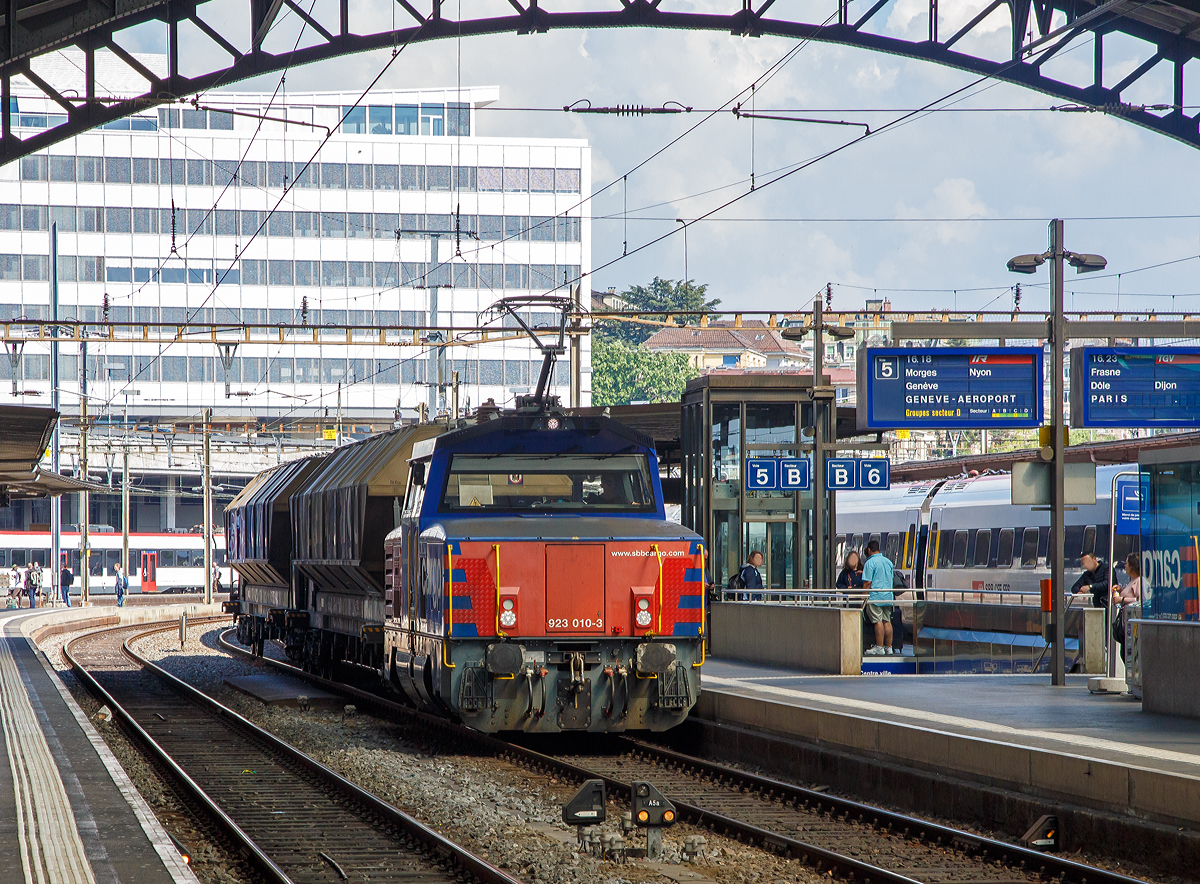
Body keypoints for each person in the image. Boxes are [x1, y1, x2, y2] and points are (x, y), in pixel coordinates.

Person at [861, 539, 895, 656]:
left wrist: (863, 597)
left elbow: (867, 583)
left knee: (878, 622)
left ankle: (879, 647)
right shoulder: (888, 562)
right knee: (887, 621)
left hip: (875, 596)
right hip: (888, 596)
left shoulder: (870, 563)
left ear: (869, 550)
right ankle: (889, 647)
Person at [1111, 553, 1141, 658]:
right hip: (1126, 624)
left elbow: (1140, 601)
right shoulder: (1131, 581)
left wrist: (1122, 600)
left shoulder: (1139, 582)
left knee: (1127, 655)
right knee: (1124, 653)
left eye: (1127, 563)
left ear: (1132, 566)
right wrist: (1120, 590)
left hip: (1133, 626)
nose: (1125, 566)